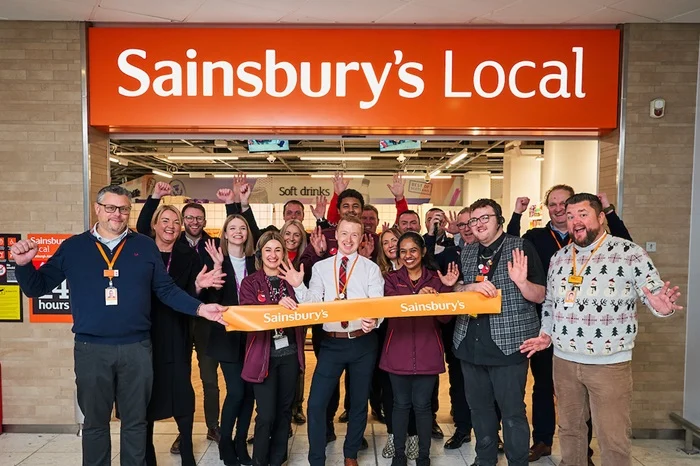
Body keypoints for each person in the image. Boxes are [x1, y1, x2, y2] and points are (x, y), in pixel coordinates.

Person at [12, 185, 227, 466]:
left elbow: (166, 290)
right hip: (92, 349)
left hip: (136, 348)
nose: (117, 214)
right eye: (111, 208)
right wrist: (24, 265)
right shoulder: (74, 247)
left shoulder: (144, 246)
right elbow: (36, 288)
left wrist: (200, 308)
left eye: (124, 209)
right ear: (98, 209)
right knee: (95, 423)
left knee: (135, 422)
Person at [520, 193, 682, 466]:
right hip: (564, 361)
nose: (575, 221)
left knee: (612, 438)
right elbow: (550, 304)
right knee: (570, 431)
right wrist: (547, 333)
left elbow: (654, 296)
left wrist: (662, 307)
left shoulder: (629, 253)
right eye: (570, 216)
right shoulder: (559, 258)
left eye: (582, 214)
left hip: (609, 365)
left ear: (600, 217)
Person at [506, 187, 633, 464]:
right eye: (553, 204)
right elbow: (511, 244)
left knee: (595, 412)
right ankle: (543, 441)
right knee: (547, 391)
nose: (559, 208)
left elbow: (626, 245)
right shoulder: (537, 238)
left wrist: (610, 211)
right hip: (549, 328)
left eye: (567, 204)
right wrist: (516, 214)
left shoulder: (607, 245)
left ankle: (584, 454)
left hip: (598, 343)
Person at [280, 215, 384, 466]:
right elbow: (314, 300)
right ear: (336, 235)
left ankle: (350, 454)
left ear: (361, 239)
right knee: (316, 403)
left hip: (363, 342)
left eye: (354, 235)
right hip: (331, 343)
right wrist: (298, 287)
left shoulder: (371, 268)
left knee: (359, 402)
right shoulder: (321, 267)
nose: (349, 239)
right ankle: (317, 458)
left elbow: (377, 303)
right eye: (344, 233)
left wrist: (375, 320)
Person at [453, 198, 546, 466]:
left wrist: (521, 282)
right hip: (471, 345)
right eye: (474, 220)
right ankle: (485, 460)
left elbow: (540, 295)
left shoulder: (521, 247)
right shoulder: (468, 251)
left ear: (499, 220)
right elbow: (458, 288)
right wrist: (466, 289)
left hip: (508, 346)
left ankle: (518, 462)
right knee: (480, 410)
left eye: (485, 218)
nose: (479, 224)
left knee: (512, 413)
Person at [137, 181, 228, 449]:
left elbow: (206, 285)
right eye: (187, 218)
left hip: (199, 320)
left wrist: (205, 281)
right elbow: (144, 226)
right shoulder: (147, 248)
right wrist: (154, 197)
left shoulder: (200, 249)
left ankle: (210, 427)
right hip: (162, 325)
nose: (192, 222)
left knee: (204, 378)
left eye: (198, 218)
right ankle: (170, 433)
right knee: (165, 378)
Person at [382, 232, 460, 466]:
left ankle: (423, 457)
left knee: (424, 407)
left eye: (413, 250)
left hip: (428, 353)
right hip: (397, 351)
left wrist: (444, 290)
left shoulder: (436, 280)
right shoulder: (390, 279)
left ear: (423, 252)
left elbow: (446, 318)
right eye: (403, 251)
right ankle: (399, 456)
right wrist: (418, 297)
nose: (408, 255)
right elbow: (391, 307)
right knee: (400, 405)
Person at [239, 232, 307, 466]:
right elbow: (248, 315)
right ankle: (260, 460)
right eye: (268, 250)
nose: (273, 254)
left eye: (278, 250)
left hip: (289, 356)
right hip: (263, 357)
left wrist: (301, 287)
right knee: (266, 414)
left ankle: (278, 459)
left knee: (284, 411)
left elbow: (310, 309)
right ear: (260, 254)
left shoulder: (292, 280)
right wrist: (275, 306)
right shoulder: (250, 283)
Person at [204, 214, 258, 466]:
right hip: (226, 337)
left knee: (249, 395)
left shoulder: (254, 262)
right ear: (224, 234)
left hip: (252, 338)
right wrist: (216, 267)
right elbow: (211, 295)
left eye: (242, 228)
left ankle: (240, 442)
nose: (237, 232)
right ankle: (225, 442)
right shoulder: (218, 260)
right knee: (236, 392)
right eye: (232, 228)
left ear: (247, 233)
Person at [280, 219, 310, 425]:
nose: (291, 238)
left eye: (296, 235)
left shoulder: (305, 261)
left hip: (298, 316)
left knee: (298, 361)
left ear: (302, 239)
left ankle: (297, 406)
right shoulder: (272, 256)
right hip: (276, 316)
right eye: (287, 234)